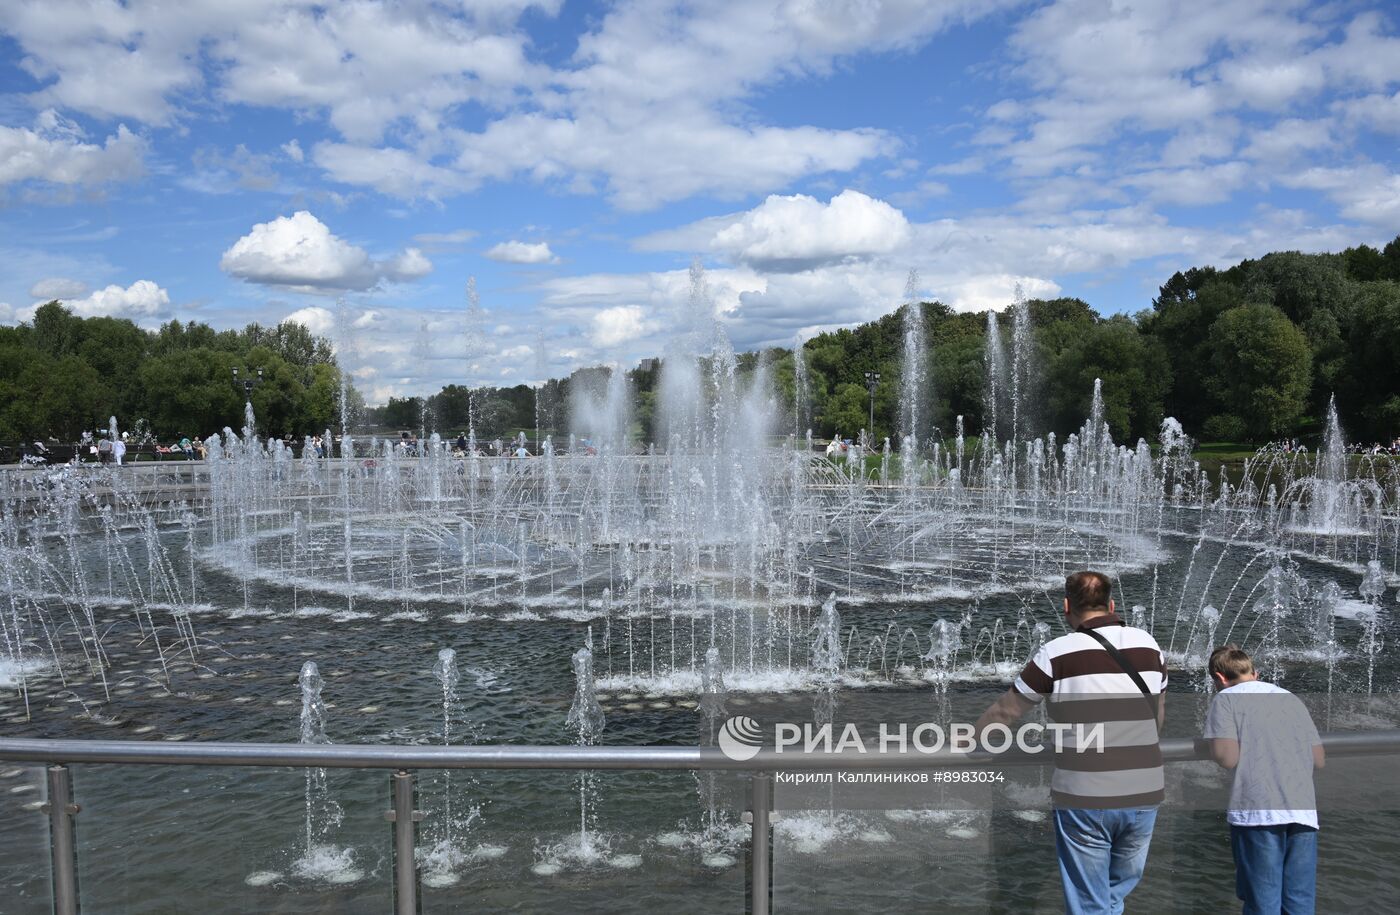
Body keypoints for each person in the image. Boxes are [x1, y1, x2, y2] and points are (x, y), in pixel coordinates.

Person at [976, 571, 1167, 915]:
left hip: (1086, 795)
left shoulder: (1056, 652)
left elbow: (1005, 713)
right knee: (1112, 897)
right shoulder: (1149, 645)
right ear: (1111, 604)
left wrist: (970, 737)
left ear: (1066, 607)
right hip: (1145, 791)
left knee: (1089, 903)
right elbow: (1159, 718)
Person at [1204, 645, 1324, 915]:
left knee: (1262, 901)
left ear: (1220, 678)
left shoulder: (1226, 699)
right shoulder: (1290, 698)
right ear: (1254, 673)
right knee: (1299, 901)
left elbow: (1227, 758)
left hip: (1259, 811)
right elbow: (1318, 759)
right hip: (1302, 809)